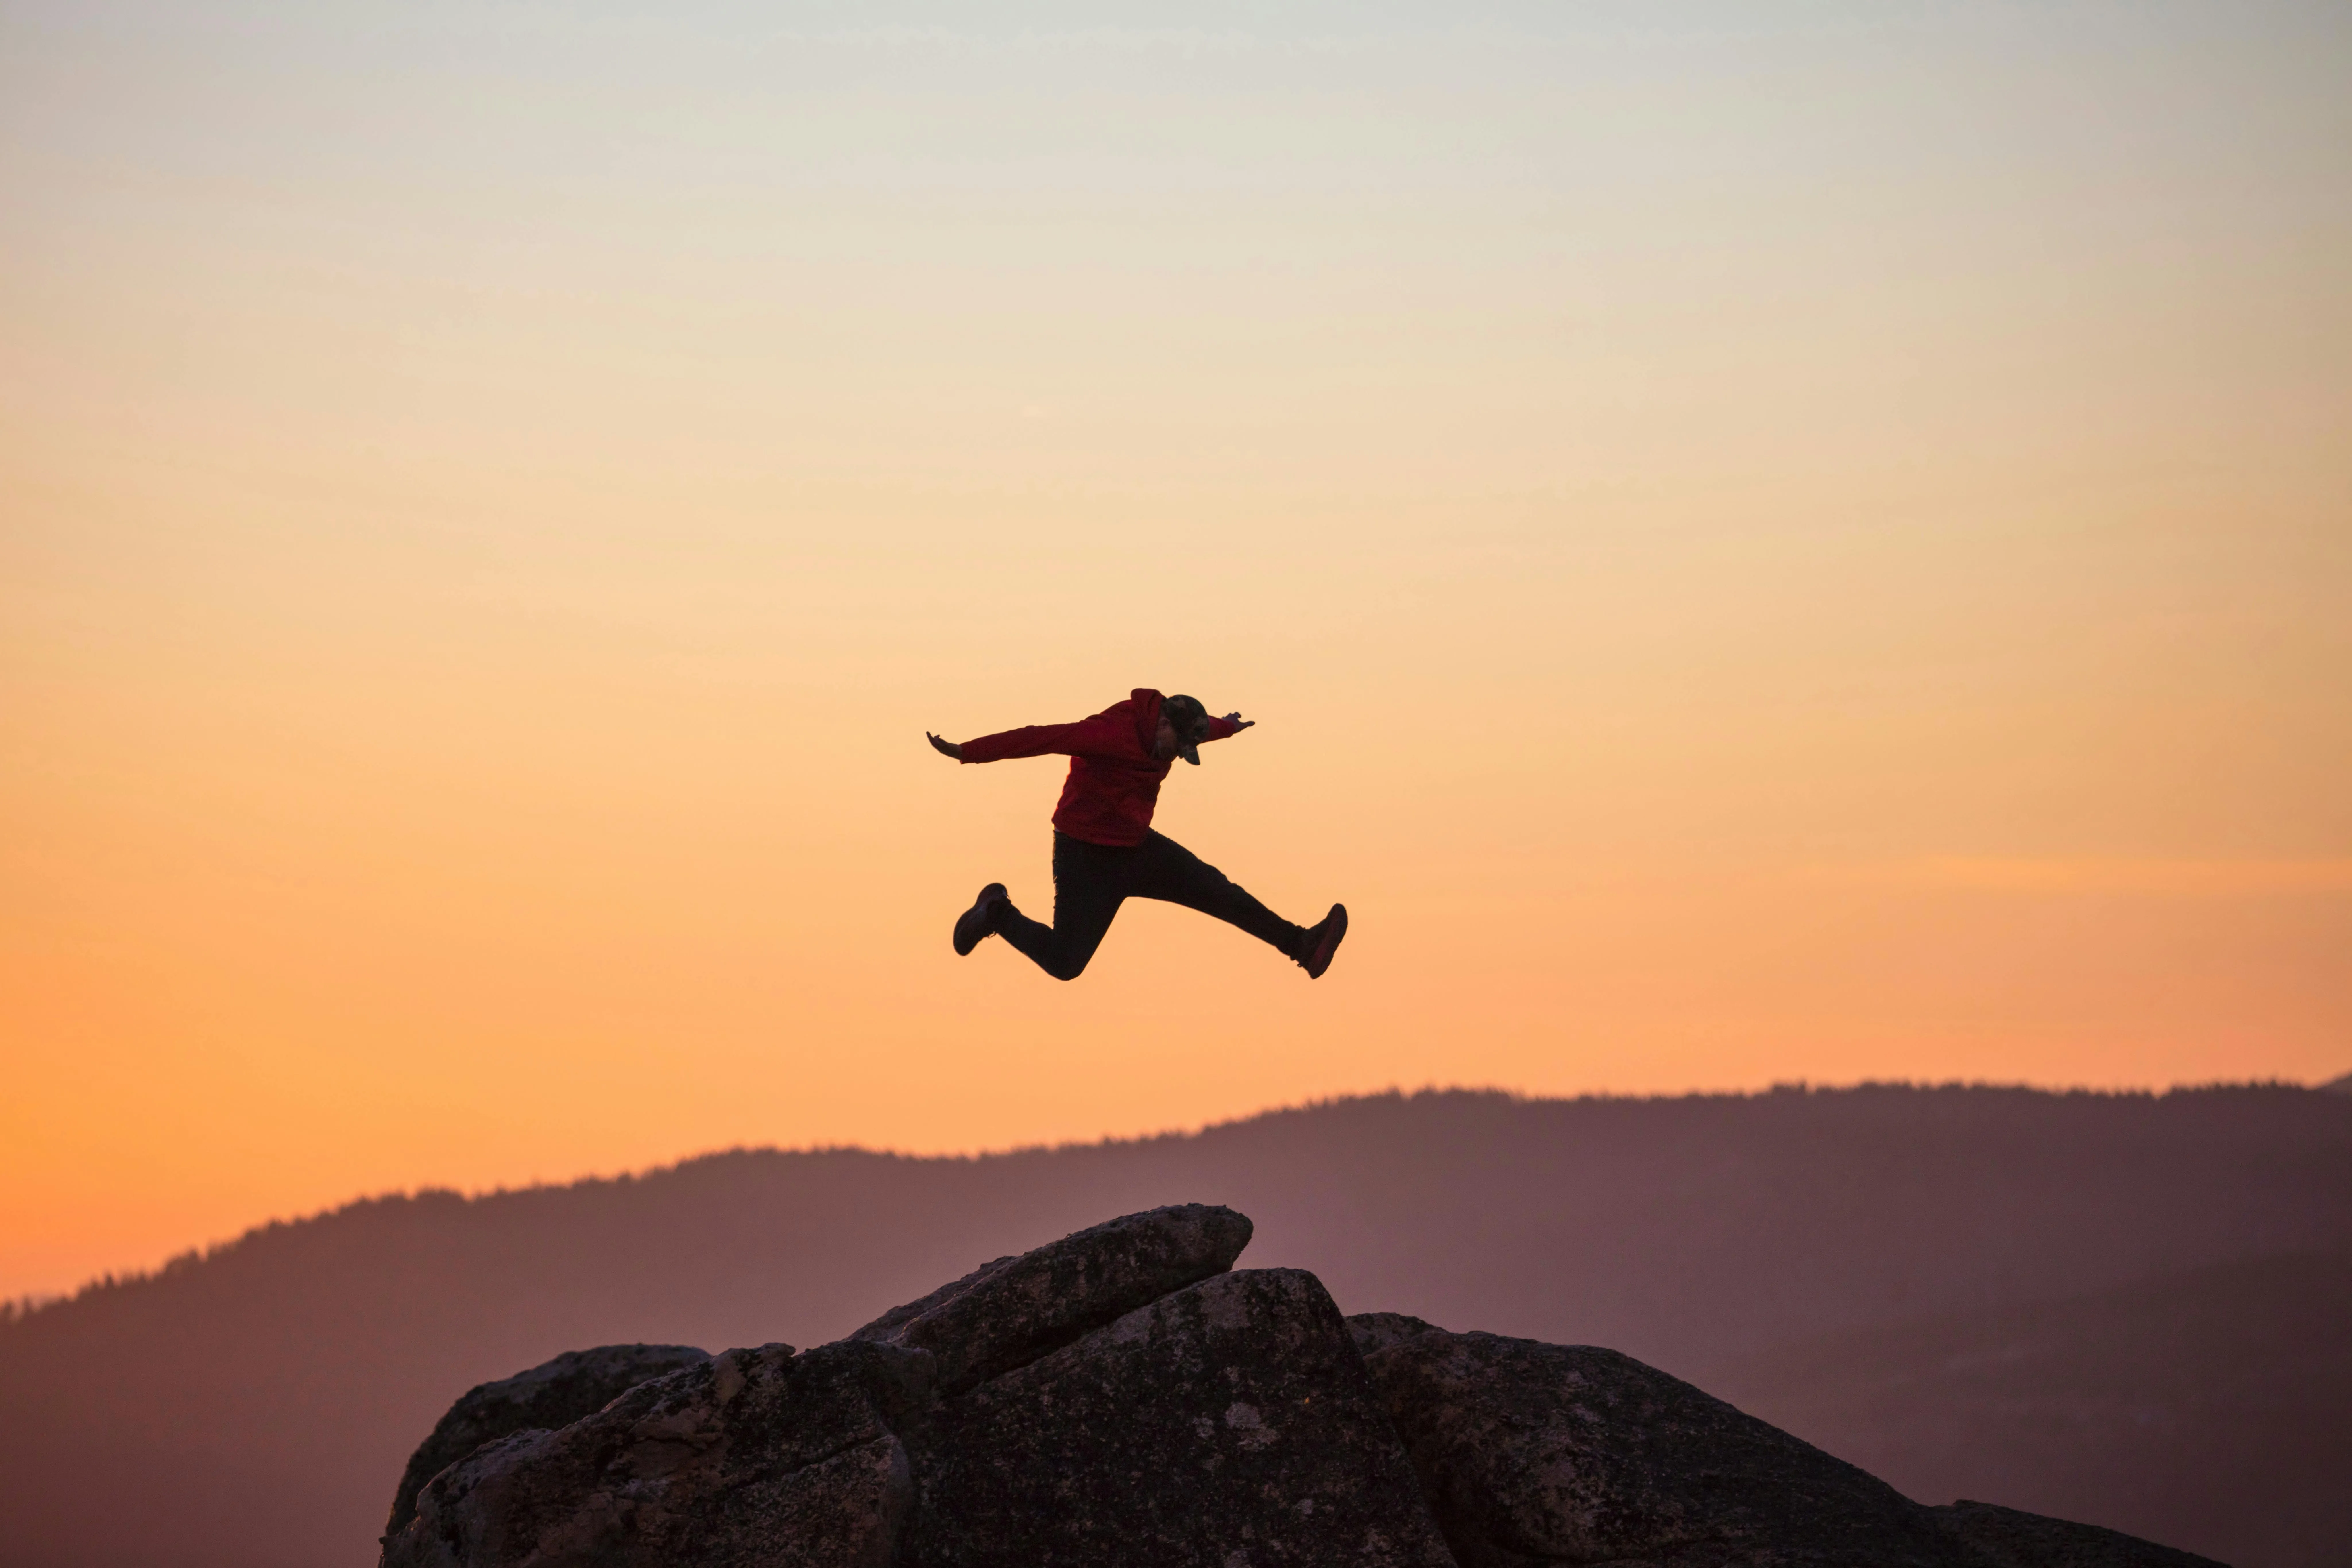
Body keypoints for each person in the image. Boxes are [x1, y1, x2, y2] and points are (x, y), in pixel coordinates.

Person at [926, 689, 1347, 981]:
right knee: (1066, 964)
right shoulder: (1110, 734)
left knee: (1220, 892)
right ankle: (997, 913)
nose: (1173, 758)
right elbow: (1041, 738)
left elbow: (1205, 729)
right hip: (1084, 855)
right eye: (1174, 748)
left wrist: (1229, 727)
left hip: (1136, 848)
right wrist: (967, 753)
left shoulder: (1176, 727)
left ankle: (1303, 947)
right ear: (1162, 723)